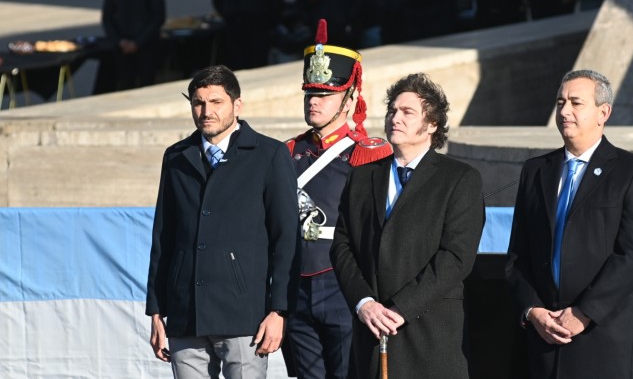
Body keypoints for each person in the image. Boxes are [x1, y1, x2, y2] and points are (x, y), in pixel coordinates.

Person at [145, 65, 300, 379]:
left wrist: (279, 311)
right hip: (185, 314)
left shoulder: (269, 154)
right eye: (198, 103)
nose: (206, 112)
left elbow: (286, 239)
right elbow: (163, 236)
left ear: (237, 105)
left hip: (244, 316)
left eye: (216, 102)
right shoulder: (176, 157)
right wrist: (157, 311)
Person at [505, 69, 633, 379]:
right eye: (560, 102)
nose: (564, 111)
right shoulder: (535, 171)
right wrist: (533, 310)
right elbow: (518, 256)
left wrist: (584, 312)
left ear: (603, 113)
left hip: (605, 339)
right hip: (544, 339)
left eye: (576, 103)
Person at [330, 72, 486, 378]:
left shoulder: (459, 178)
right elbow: (342, 245)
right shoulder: (362, 176)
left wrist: (401, 309)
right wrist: (363, 302)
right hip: (370, 336)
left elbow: (456, 257)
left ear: (432, 124)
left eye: (407, 112)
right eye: (392, 111)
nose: (395, 118)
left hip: (430, 337)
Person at [284, 19, 392, 379]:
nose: (313, 102)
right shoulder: (288, 151)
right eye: (309, 94)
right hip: (296, 286)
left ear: (349, 98)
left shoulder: (369, 153)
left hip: (343, 284)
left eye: (325, 95)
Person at [101, 0, 165, 91]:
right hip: (121, 47)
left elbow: (158, 16)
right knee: (125, 85)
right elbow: (107, 17)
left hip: (146, 45)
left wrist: (138, 42)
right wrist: (119, 41)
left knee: (146, 85)